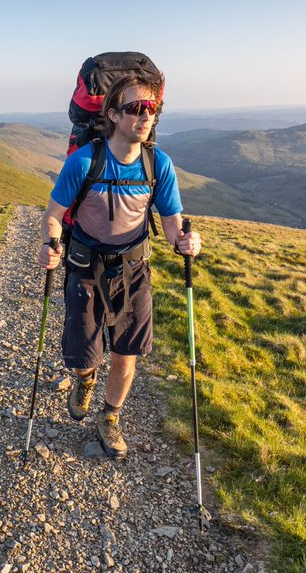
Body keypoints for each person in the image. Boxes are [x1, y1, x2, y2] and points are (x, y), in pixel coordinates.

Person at [37, 71, 200, 459]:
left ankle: (110, 417)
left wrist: (186, 240)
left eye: (152, 109)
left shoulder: (157, 164)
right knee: (83, 351)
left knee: (127, 353)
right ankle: (85, 378)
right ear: (112, 114)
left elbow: (173, 220)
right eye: (135, 108)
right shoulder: (84, 162)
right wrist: (50, 243)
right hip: (85, 268)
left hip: (133, 270)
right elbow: (53, 214)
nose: (145, 117)